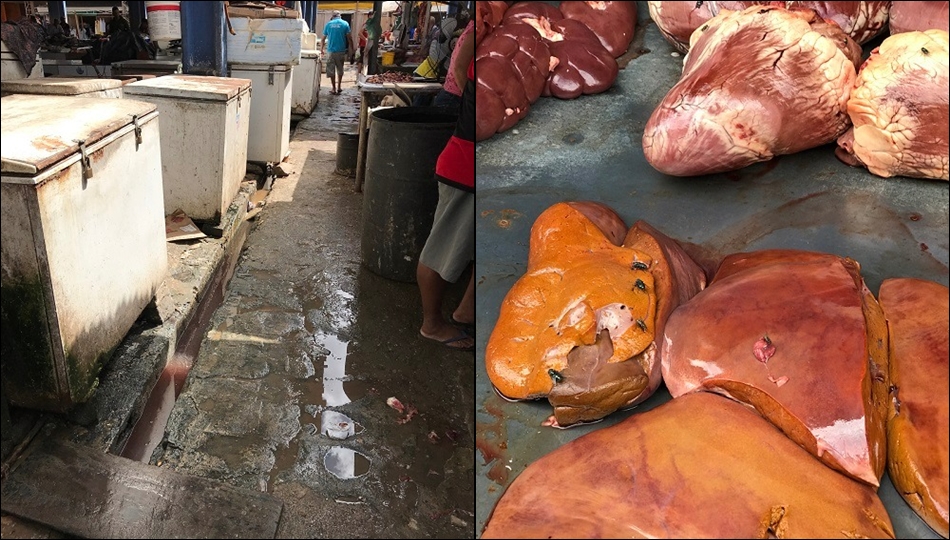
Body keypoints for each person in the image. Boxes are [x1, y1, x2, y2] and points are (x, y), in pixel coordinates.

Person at [415, 31, 475, 352]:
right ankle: (432, 324)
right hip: (464, 166)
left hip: (470, 162)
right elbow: (461, 65)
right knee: (439, 252)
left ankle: (466, 309)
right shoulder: (481, 31)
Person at [430, 19, 473, 110]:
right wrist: (471, 100)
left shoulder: (472, 29)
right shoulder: (474, 30)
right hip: (454, 98)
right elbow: (459, 68)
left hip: (452, 96)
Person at [321, 10, 351, 95]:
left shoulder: (328, 24)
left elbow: (323, 38)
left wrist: (321, 49)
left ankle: (333, 88)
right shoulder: (345, 24)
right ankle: (339, 87)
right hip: (341, 50)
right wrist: (351, 48)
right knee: (340, 69)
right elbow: (350, 38)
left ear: (332, 16)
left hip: (331, 51)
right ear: (340, 16)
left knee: (331, 70)